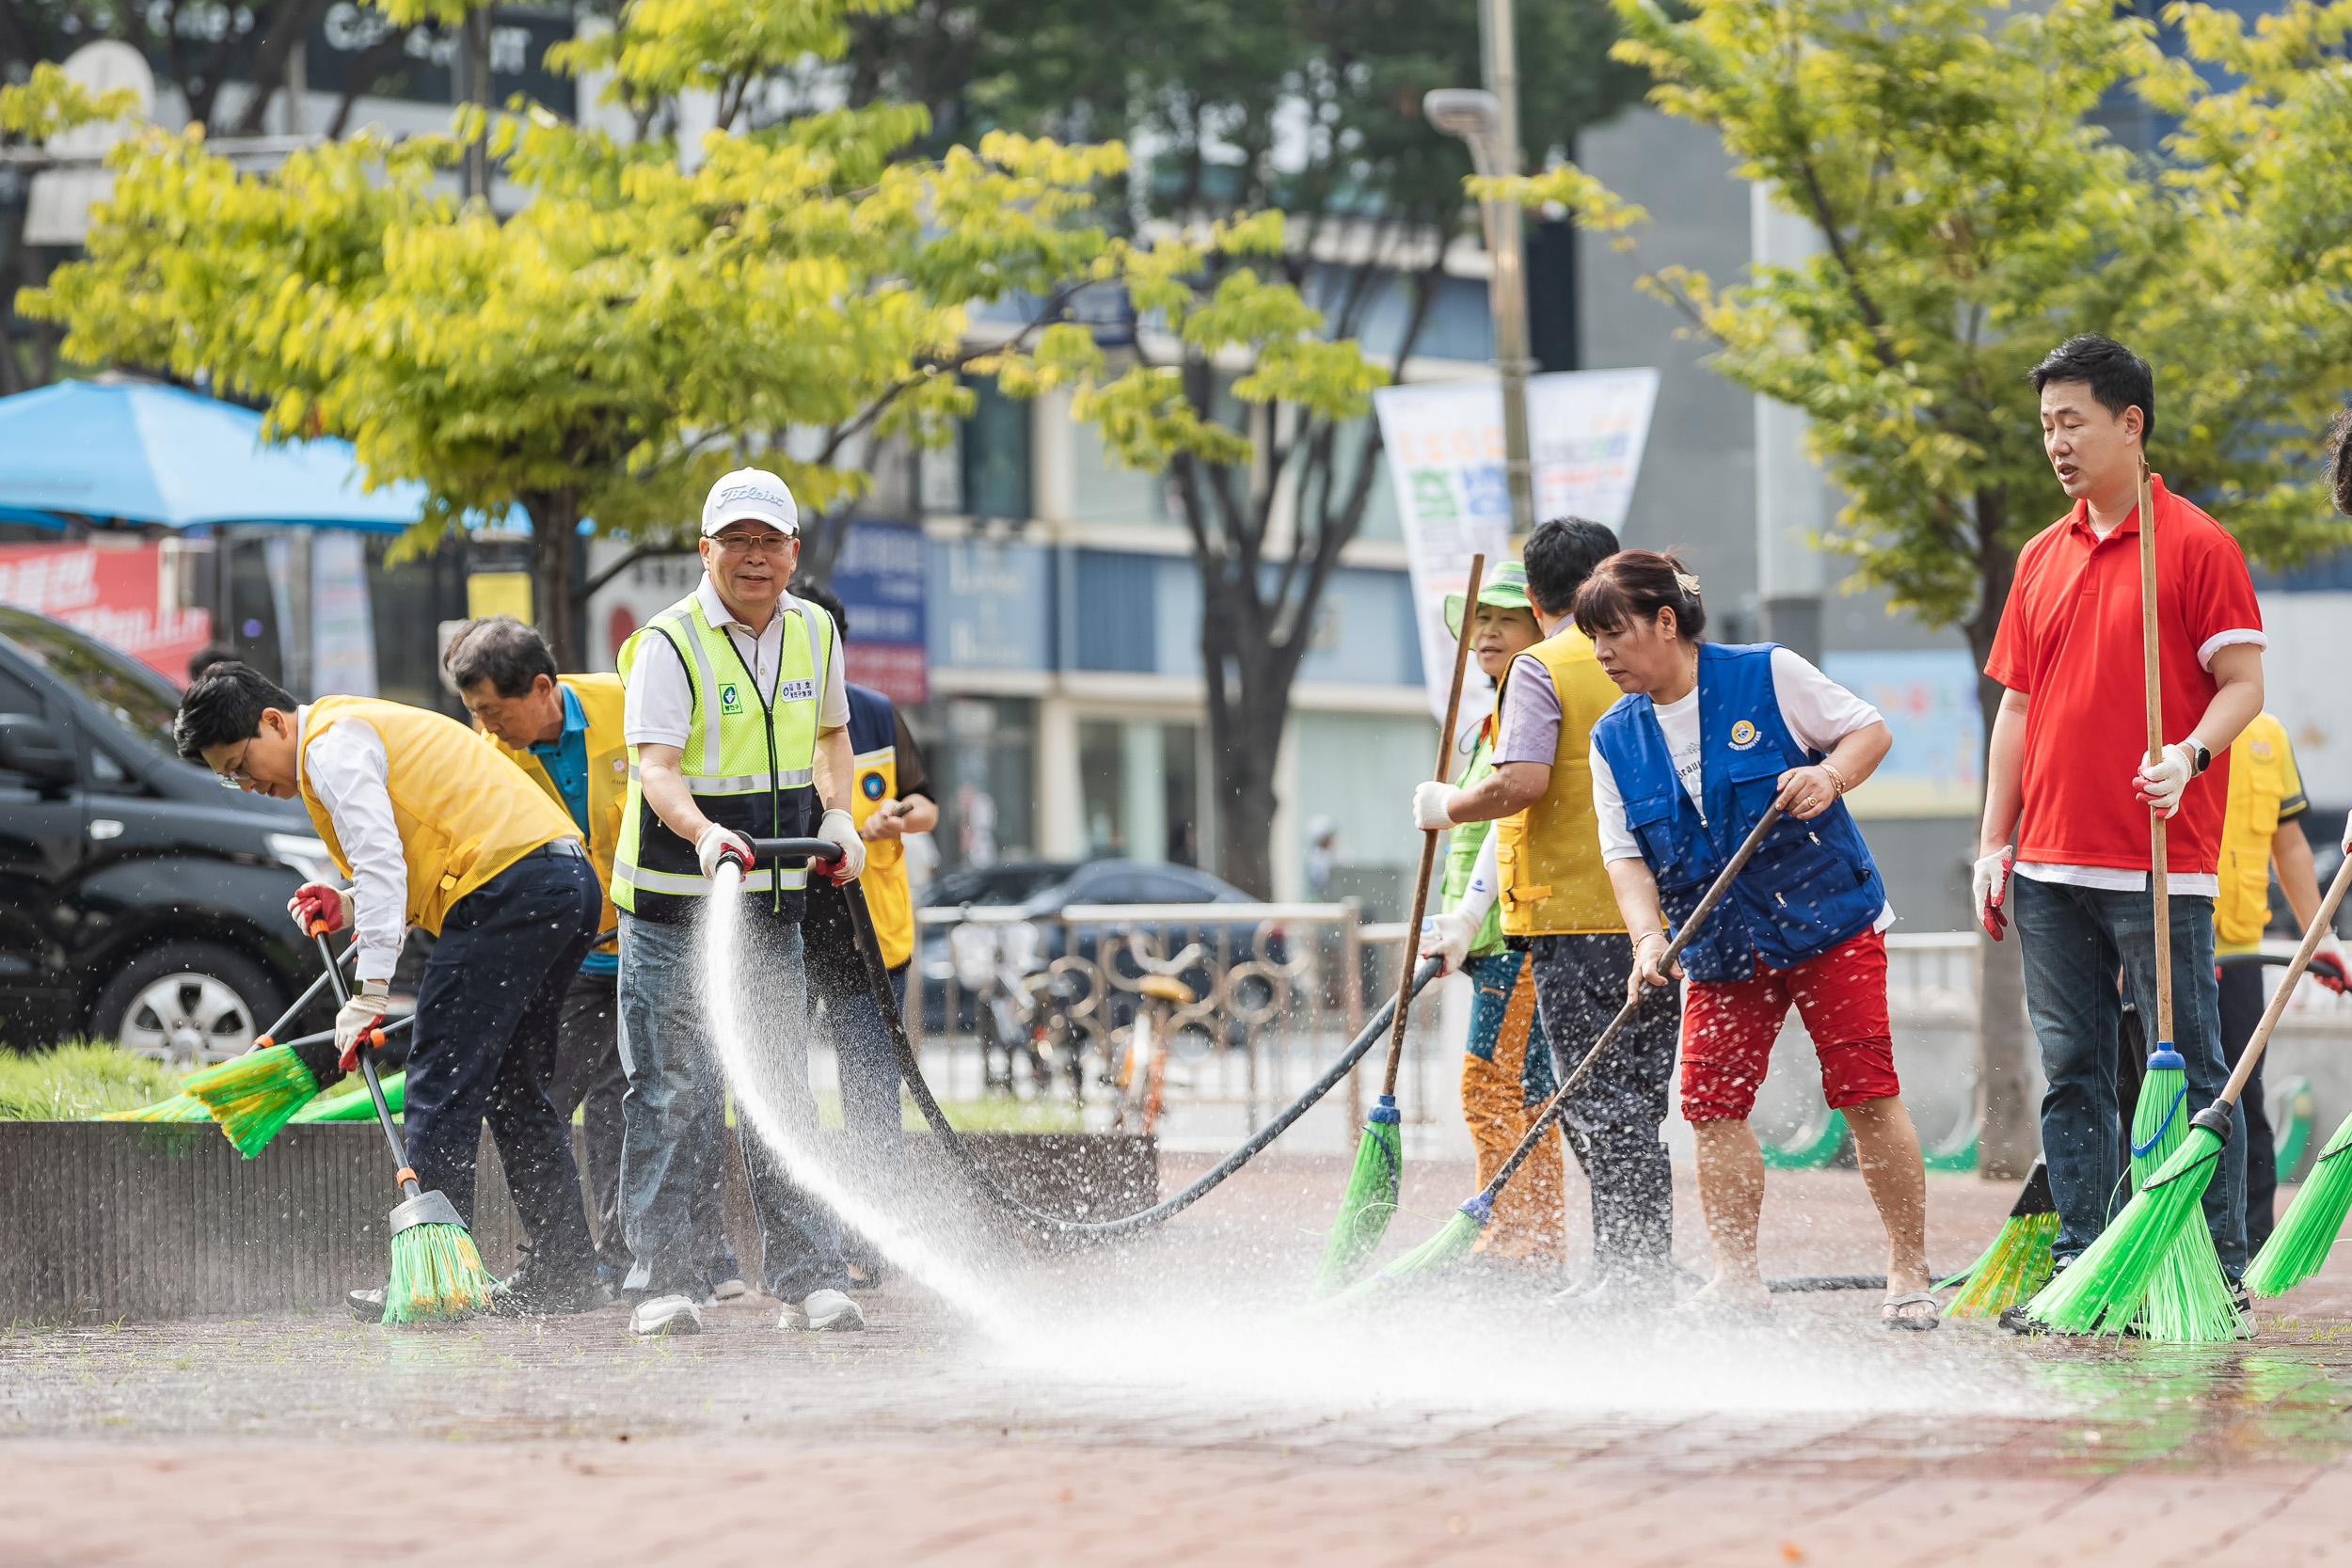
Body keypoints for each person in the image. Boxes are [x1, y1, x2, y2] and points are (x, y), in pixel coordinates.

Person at [1973, 335, 2265, 1323]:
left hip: (2158, 864)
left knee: (2184, 1071)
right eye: (2046, 424)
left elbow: (2243, 686)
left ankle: (2212, 1262)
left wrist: (2189, 754)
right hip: (2048, 863)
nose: (2055, 441)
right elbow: (2016, 708)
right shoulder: (2038, 556)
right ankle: (2081, 1259)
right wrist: (1991, 841)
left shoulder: (2196, 543)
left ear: (2128, 423)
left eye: (2072, 421)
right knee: (2075, 1071)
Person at [173, 662, 604, 1320]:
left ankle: (435, 1287)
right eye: (229, 777)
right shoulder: (348, 734)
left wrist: (370, 992)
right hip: (561, 883)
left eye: (241, 762)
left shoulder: (330, 746)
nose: (247, 784)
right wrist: (347, 905)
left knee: (438, 1081)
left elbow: (381, 858)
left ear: (273, 721)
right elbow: (408, 856)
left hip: (506, 889)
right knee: (516, 1086)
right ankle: (568, 1270)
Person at [1576, 551, 1937, 1326]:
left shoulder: (1767, 672)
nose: (1602, 653)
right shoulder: (1614, 739)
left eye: (1613, 633)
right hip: (1718, 942)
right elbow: (1626, 856)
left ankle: (1908, 1267)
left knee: (1865, 1092)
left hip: (1827, 920)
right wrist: (1646, 940)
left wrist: (1830, 777)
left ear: (1665, 621)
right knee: (1709, 1102)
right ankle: (1736, 1275)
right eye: (1592, 639)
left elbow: (1867, 732)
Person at [612, 467, 868, 1339]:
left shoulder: (816, 633)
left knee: (779, 1085)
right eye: (737, 542)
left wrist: (839, 812)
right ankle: (660, 1278)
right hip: (674, 900)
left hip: (773, 897)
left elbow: (833, 737)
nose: (753, 557)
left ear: (794, 553)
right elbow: (656, 768)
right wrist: (702, 833)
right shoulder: (669, 642)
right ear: (706, 550)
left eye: (769, 542)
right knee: (675, 1087)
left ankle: (810, 1276)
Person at [1409, 517, 1670, 1312]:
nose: (1489, 634)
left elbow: (1519, 787)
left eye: (1503, 615)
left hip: (1566, 918)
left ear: (1533, 598)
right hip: (1659, 921)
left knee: (1587, 1100)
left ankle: (1623, 1271)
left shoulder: (1544, 667)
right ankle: (1637, 1266)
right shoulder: (1665, 660)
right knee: (1638, 1103)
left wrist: (1450, 806)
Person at [443, 616, 742, 1297]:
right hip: (575, 960)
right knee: (551, 1099)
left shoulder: (625, 701)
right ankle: (584, 1257)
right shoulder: (488, 754)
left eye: (493, 709)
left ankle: (707, 1255)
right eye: (474, 713)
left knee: (676, 1092)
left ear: (544, 688)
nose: (484, 728)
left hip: (659, 937)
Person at [785, 577, 941, 1288]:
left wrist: (893, 817)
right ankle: (800, 1242)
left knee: (871, 1089)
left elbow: (926, 803)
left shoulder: (876, 716)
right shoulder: (764, 718)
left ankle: (868, 1242)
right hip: (786, 924)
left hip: (867, 931)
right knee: (780, 1084)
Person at [1416, 562, 1565, 1267]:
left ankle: (1516, 1243)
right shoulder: (1486, 724)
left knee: (1495, 1087)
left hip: (1520, 930)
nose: (1488, 632)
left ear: (1542, 623)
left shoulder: (1534, 709)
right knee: (1523, 1089)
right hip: (1485, 935)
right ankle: (1525, 1240)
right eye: (1480, 618)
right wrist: (1453, 926)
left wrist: (1472, 915)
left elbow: (1513, 814)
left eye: (1506, 617)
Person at [2212, 711, 2344, 1253]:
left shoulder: (2268, 736)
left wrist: (2324, 941)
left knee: (2241, 1099)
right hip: (2157, 947)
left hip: (2238, 950)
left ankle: (2246, 1244)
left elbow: (2287, 844)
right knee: (2149, 1097)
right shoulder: (2157, 717)